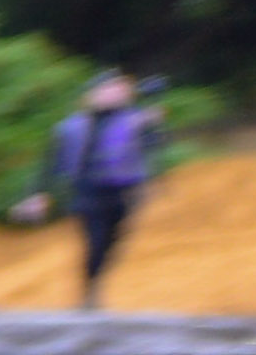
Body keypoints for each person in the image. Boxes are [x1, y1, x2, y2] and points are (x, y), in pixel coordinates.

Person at [31, 70, 164, 304]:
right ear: (93, 94)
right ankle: (91, 291)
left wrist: (153, 126)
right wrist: (39, 194)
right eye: (111, 89)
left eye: (121, 90)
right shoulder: (71, 127)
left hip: (122, 193)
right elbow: (50, 162)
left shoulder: (135, 120)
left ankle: (95, 281)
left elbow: (154, 147)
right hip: (87, 191)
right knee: (96, 241)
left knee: (113, 243)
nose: (117, 94)